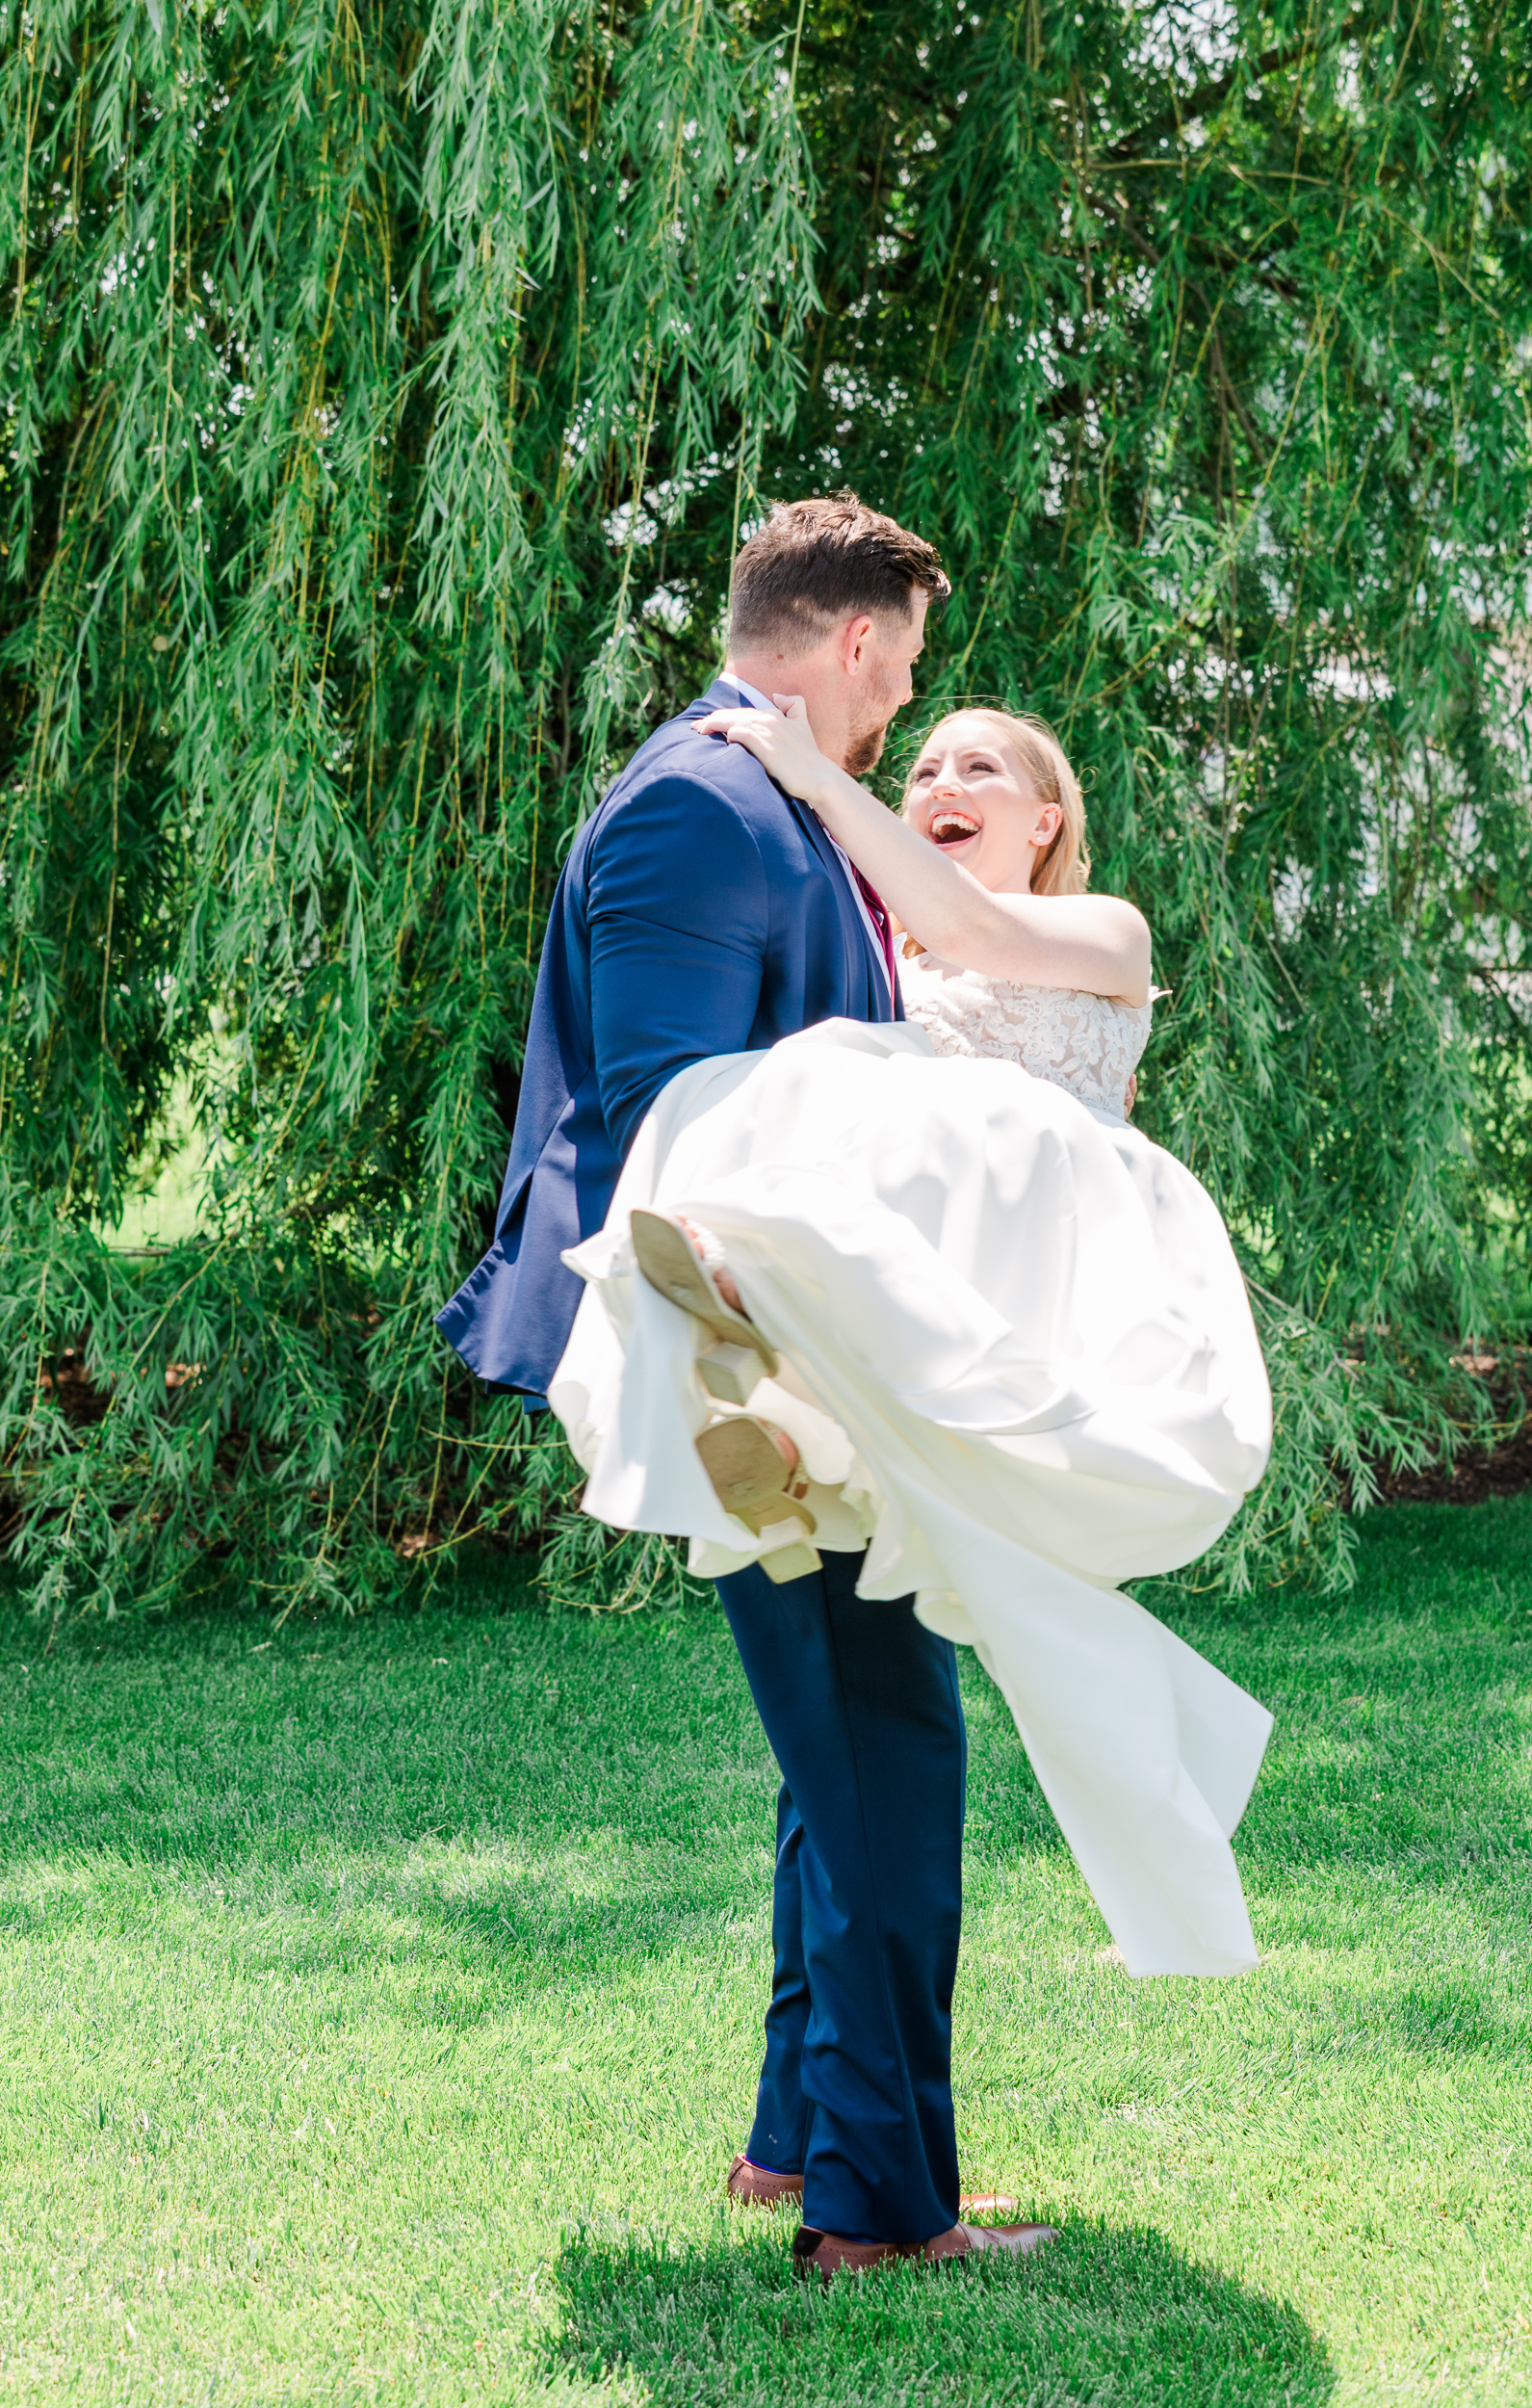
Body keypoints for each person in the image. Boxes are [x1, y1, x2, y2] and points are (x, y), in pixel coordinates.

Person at [549, 695, 1277, 2268]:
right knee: (852, 1766)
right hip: (901, 1304)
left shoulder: (1098, 927)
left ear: (1047, 819)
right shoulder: (890, 968)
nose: (941, 778)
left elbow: (967, 926)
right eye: (925, 760)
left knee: (865, 1750)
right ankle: (816, 2161)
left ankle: (818, 2151)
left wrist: (818, 774)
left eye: (980, 768)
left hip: (1021, 1295)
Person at [436, 496, 1036, 2279]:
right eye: (901, 672)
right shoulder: (697, 805)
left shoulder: (774, 800)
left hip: (817, 1374)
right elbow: (664, 1119)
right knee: (889, 1761)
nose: (901, 707)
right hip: (762, 1385)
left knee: (841, 1763)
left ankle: (797, 2149)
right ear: (851, 641)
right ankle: (881, 2214)